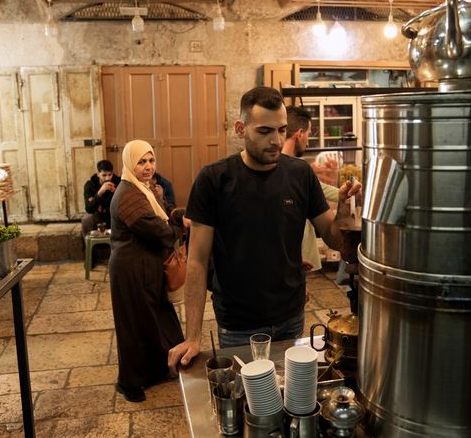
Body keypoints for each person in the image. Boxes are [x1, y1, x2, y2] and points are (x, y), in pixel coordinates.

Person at [168, 86, 361, 369]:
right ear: (240, 128)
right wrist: (193, 337)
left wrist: (342, 211)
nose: (275, 140)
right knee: (249, 397)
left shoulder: (299, 174)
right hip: (238, 321)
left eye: (282, 130)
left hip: (290, 314)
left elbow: (333, 240)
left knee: (289, 393)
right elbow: (196, 261)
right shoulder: (215, 179)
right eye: (264, 131)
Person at [108, 140, 185, 402]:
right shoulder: (128, 194)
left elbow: (161, 216)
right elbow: (157, 230)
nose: (148, 167)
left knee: (155, 319)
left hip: (145, 267)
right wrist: (178, 228)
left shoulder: (143, 189)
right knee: (133, 325)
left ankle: (157, 369)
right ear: (131, 164)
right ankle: (128, 382)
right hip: (131, 270)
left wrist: (175, 216)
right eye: (142, 162)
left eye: (151, 160)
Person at [282, 105, 340, 272]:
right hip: (296, 253)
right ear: (299, 134)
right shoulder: (296, 169)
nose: (307, 141)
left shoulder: (279, 165)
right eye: (308, 134)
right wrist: (350, 194)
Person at [81, 159, 121, 239]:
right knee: (86, 219)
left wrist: (117, 193)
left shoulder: (118, 182)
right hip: (98, 215)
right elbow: (89, 209)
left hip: (114, 214)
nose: (107, 178)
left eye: (110, 174)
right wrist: (100, 192)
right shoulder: (90, 185)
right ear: (98, 174)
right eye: (104, 175)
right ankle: (89, 248)